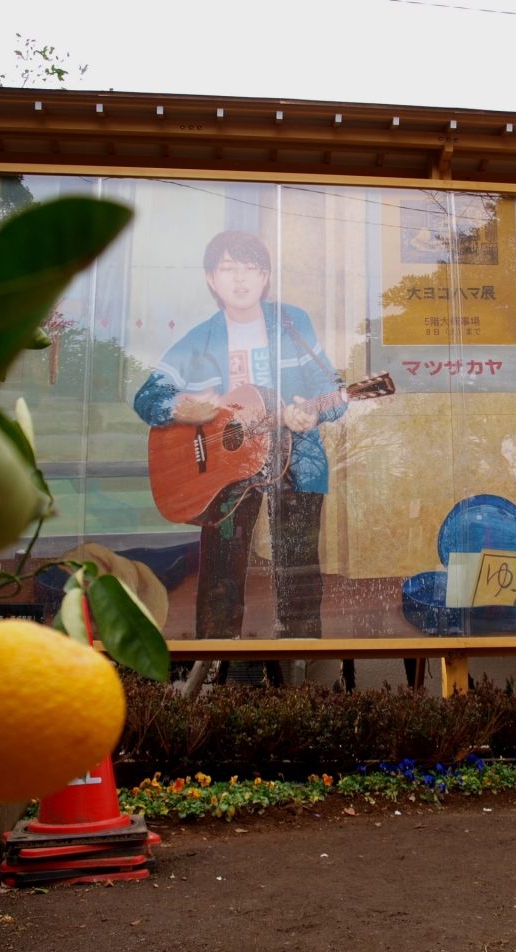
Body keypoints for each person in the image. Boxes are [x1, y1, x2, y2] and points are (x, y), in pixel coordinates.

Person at [134, 230, 346, 682]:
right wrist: (181, 407)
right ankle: (210, 669)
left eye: (251, 268)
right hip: (225, 473)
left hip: (296, 463)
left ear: (265, 275)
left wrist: (312, 413)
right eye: (228, 268)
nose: (241, 279)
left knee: (299, 567)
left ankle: (301, 670)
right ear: (211, 278)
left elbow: (336, 393)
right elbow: (148, 396)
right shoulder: (200, 337)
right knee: (219, 572)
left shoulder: (293, 322)